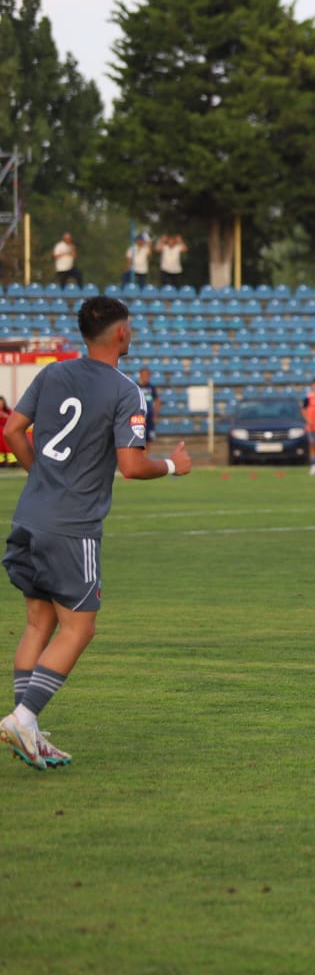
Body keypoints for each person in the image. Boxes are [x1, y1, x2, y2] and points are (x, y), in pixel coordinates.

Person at [0, 296, 192, 770]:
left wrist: (40, 476)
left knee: (38, 624)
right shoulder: (127, 390)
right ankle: (23, 718)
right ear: (122, 334)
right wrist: (172, 465)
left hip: (30, 515)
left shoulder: (51, 374)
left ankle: (31, 731)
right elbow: (131, 465)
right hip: (73, 527)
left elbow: (14, 431)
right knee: (80, 627)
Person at [136, 367, 161, 443]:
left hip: (149, 418)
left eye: (148, 375)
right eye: (144, 375)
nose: (146, 377)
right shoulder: (135, 386)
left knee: (149, 440)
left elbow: (157, 401)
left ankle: (146, 455)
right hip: (139, 417)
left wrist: (155, 415)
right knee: (139, 440)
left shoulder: (151, 387)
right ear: (140, 375)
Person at [0, 397, 14, 466]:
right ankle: (1, 461)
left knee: (8, 446)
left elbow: (13, 419)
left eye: (1, 403)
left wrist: (5, 416)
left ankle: (12, 462)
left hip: (6, 430)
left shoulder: (8, 411)